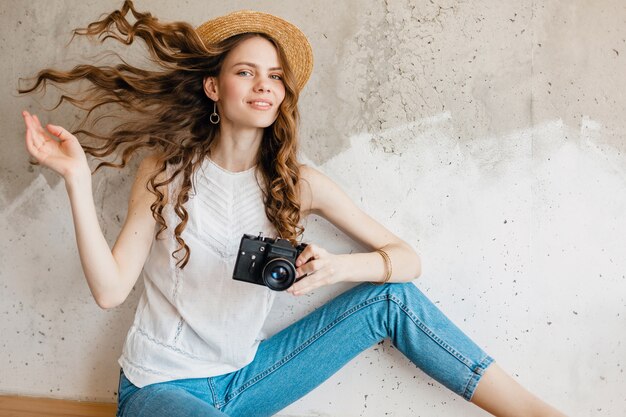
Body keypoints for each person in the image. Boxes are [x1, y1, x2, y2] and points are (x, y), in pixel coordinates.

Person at [20, 1, 567, 416]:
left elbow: (407, 261)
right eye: (246, 71)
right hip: (161, 387)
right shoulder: (166, 171)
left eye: (275, 75)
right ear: (212, 86)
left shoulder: (298, 184)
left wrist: (338, 267)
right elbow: (110, 289)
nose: (264, 85)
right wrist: (75, 179)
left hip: (246, 378)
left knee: (393, 298)